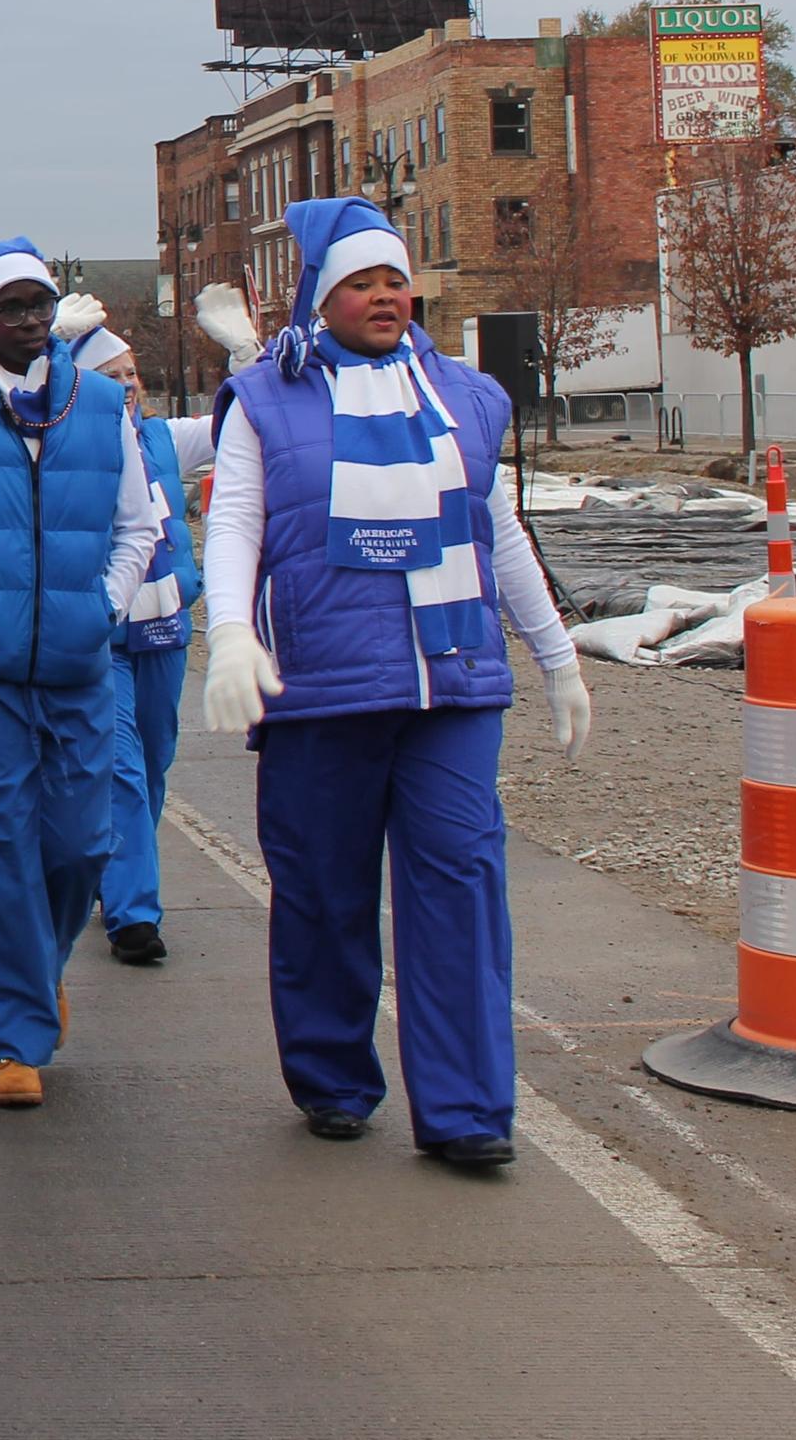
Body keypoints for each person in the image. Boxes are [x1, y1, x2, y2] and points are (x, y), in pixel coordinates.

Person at [200, 198, 589, 1168]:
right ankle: (334, 1077)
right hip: (324, 692)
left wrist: (556, 655)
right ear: (322, 299)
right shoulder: (266, 399)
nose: (383, 296)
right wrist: (231, 635)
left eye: (394, 280)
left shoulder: (464, 395)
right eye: (361, 283)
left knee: (460, 881)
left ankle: (467, 1111)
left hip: (452, 686)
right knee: (325, 891)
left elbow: (496, 533)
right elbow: (236, 523)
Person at [0, 239, 162, 1109]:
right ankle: (14, 1038)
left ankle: (39, 966)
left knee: (82, 842)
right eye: (9, 307)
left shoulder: (100, 408)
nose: (28, 320)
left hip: (79, 663)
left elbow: (138, 526)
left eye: (38, 303)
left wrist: (106, 603)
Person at [52, 295, 208, 967]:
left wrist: (252, 356)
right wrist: (56, 350)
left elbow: (249, 423)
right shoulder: (65, 442)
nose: (130, 384)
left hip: (166, 629)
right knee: (119, 774)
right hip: (100, 639)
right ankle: (134, 913)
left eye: (134, 372)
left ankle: (110, 873)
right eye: (113, 374)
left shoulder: (166, 438)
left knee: (152, 762)